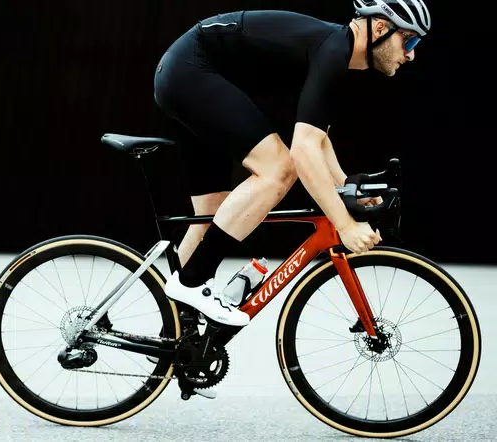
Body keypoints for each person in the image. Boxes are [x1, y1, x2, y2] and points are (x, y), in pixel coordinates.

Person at [150, 0, 430, 395]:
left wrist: (346, 190)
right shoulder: (334, 48)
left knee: (212, 215)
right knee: (279, 169)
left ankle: (177, 341)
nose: (412, 54)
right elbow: (302, 153)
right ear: (381, 27)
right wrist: (345, 225)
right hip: (191, 72)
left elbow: (318, 140)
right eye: (410, 39)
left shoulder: (333, 49)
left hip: (189, 75)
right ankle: (192, 284)